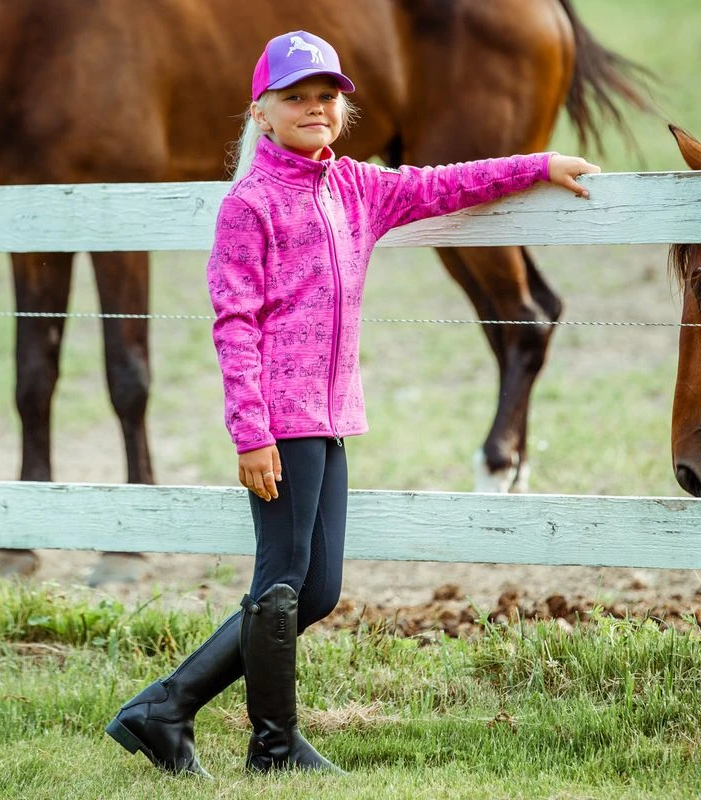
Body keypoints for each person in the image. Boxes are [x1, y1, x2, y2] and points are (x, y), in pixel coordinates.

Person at [105, 30, 601, 777]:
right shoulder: (250, 203)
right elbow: (234, 323)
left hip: (333, 416)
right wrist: (251, 432)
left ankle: (165, 708)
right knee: (281, 582)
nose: (314, 108)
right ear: (262, 113)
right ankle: (269, 747)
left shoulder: (358, 189)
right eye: (295, 97)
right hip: (279, 419)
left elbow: (446, 184)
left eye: (326, 97)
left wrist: (538, 164)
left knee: (317, 589)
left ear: (343, 109)